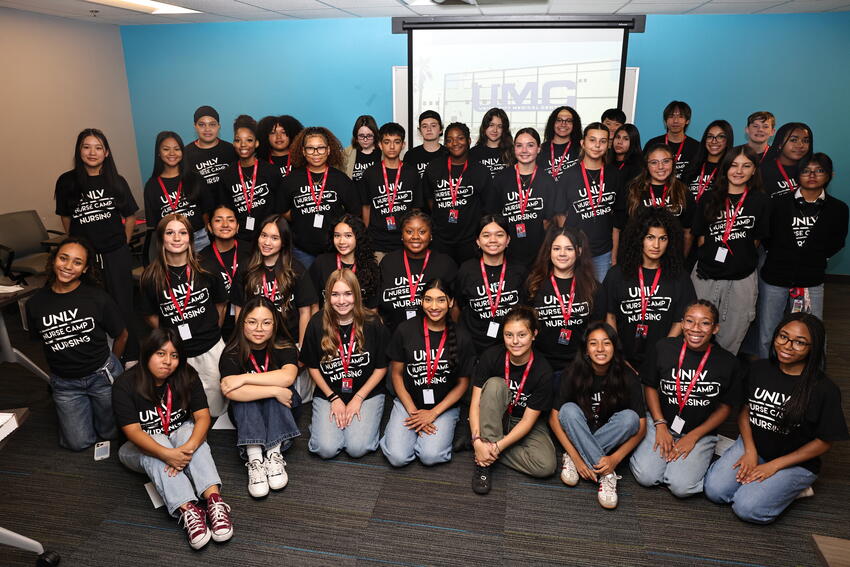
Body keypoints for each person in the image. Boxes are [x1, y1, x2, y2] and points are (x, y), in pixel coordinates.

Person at [704, 313, 849, 524]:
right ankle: (764, 484)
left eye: (800, 342)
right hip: (755, 446)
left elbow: (824, 442)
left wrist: (774, 466)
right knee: (714, 491)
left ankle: (794, 487)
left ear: (813, 348)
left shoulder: (824, 389)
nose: (788, 346)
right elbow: (745, 411)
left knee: (746, 508)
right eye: (783, 336)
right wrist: (750, 452)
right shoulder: (758, 369)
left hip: (794, 460)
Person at [113, 329, 233, 549]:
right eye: (160, 353)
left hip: (178, 437)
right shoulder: (125, 384)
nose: (168, 361)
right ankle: (188, 509)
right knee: (156, 441)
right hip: (136, 447)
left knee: (190, 432)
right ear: (147, 354)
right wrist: (168, 454)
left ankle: (214, 501)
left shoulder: (187, 374)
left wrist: (188, 447)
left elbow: (203, 416)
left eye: (174, 355)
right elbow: (133, 433)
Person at [629, 300, 742, 497]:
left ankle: (707, 459)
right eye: (690, 321)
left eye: (705, 323)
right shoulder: (664, 347)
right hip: (660, 421)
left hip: (699, 429)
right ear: (682, 324)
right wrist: (660, 424)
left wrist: (694, 436)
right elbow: (650, 386)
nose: (696, 329)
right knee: (646, 476)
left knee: (680, 487)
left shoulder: (727, 362)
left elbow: (725, 406)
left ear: (715, 328)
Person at [28, 237, 126, 451]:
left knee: (113, 434)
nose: (68, 266)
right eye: (64, 258)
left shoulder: (98, 298)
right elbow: (41, 342)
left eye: (77, 262)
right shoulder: (35, 304)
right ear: (54, 260)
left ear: (84, 269)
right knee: (78, 443)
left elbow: (122, 335)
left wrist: (112, 364)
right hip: (65, 384)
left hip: (101, 376)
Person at [54, 127, 139, 361]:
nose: (92, 152)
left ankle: (130, 357)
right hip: (85, 259)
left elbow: (130, 216)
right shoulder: (67, 182)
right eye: (86, 146)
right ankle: (100, 357)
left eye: (98, 147)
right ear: (79, 150)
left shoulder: (116, 181)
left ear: (107, 153)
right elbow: (66, 217)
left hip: (115, 254)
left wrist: (123, 243)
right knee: (92, 307)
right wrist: (76, 247)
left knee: (123, 305)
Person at [758, 153, 848, 358]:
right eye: (806, 171)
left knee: (811, 332)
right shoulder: (778, 203)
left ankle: (811, 376)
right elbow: (767, 236)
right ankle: (765, 373)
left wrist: (811, 257)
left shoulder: (839, 209)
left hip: (811, 279)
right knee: (768, 330)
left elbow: (837, 242)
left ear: (830, 175)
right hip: (775, 276)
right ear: (798, 175)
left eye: (819, 171)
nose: (812, 175)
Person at [140, 214, 228, 417]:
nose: (177, 238)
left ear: (190, 237)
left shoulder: (207, 268)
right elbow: (151, 316)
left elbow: (220, 304)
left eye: (182, 232)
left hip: (210, 348)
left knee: (216, 410)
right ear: (161, 238)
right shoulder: (151, 277)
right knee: (184, 409)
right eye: (170, 233)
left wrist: (209, 328)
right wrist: (170, 339)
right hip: (176, 353)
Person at [550, 322, 646, 509]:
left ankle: (588, 456)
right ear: (586, 349)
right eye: (594, 343)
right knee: (568, 410)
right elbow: (554, 419)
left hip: (610, 435)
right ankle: (607, 475)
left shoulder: (628, 376)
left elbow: (641, 427)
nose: (600, 349)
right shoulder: (572, 372)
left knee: (630, 418)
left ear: (614, 348)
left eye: (606, 343)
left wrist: (615, 459)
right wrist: (575, 457)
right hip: (579, 429)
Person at [381, 278, 475, 466]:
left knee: (430, 456)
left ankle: (442, 431)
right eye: (428, 299)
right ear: (421, 301)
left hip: (443, 406)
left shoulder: (462, 336)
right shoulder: (405, 330)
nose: (434, 306)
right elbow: (397, 374)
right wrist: (413, 411)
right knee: (397, 458)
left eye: (441, 300)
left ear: (450, 302)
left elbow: (463, 383)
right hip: (409, 401)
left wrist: (433, 414)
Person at [300, 269, 390, 459]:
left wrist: (358, 398)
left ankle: (345, 427)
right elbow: (313, 367)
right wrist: (333, 398)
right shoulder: (316, 323)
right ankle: (322, 425)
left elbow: (381, 367)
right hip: (330, 391)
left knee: (357, 448)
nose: (342, 301)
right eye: (335, 294)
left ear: (356, 295)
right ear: (327, 296)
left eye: (348, 294)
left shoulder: (373, 323)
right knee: (326, 449)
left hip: (367, 392)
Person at [219, 296, 300, 498]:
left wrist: (245, 378)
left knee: (273, 395)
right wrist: (273, 389)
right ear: (242, 323)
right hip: (247, 410)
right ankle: (254, 458)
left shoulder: (284, 345)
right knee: (248, 399)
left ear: (275, 324)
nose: (259, 328)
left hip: (283, 406)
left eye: (266, 322)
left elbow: (288, 376)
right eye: (252, 322)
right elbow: (230, 390)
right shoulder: (231, 352)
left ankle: (274, 454)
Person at [470, 306, 557, 493]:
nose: (515, 341)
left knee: (546, 466)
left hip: (523, 419)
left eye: (521, 335)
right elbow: (476, 402)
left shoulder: (543, 371)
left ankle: (484, 451)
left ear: (534, 334)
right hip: (495, 415)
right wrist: (477, 439)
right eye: (509, 335)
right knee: (494, 384)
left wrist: (495, 446)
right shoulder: (491, 356)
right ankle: (483, 464)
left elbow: (527, 421)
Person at [692, 146, 770, 355]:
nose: (739, 171)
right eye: (734, 165)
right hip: (706, 276)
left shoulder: (760, 201)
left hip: (741, 279)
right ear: (725, 168)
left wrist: (736, 259)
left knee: (731, 336)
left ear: (754, 170)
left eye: (746, 166)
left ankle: (722, 378)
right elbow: (700, 237)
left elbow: (756, 240)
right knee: (696, 332)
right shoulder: (709, 198)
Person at [604, 208, 695, 367]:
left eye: (663, 238)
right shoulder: (617, 275)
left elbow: (680, 321)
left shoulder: (680, 277)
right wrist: (618, 355)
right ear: (639, 239)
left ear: (670, 241)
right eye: (650, 237)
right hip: (621, 358)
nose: (656, 245)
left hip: (663, 359)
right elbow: (609, 317)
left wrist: (663, 354)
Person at [526, 226, 605, 380]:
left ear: (579, 251)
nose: (562, 253)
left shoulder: (593, 288)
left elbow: (596, 331)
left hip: (579, 366)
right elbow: (526, 326)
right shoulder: (533, 285)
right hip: (540, 366)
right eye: (556, 248)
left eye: (569, 248)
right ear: (549, 252)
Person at [281, 126, 360, 269]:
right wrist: (300, 216)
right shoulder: (291, 180)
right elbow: (282, 210)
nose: (316, 153)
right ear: (304, 152)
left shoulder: (341, 180)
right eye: (310, 148)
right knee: (305, 289)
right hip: (301, 250)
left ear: (328, 150)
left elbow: (354, 212)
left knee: (333, 289)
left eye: (321, 148)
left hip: (334, 249)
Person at [490, 127, 563, 268]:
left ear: (539, 149)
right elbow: (494, 216)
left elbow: (549, 221)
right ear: (514, 149)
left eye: (530, 145)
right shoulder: (501, 179)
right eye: (519, 145)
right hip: (507, 252)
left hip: (538, 254)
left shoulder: (547, 181)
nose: (524, 150)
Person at [241, 214, 318, 347]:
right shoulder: (246, 268)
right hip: (256, 341)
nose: (266, 242)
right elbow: (239, 309)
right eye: (263, 235)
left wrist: (301, 347)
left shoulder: (296, 269)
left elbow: (305, 311)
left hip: (288, 341)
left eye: (274, 238)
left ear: (283, 242)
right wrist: (242, 343)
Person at [422, 122, 493, 265]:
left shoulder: (480, 170)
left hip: (470, 240)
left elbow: (487, 206)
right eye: (450, 139)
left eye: (460, 138)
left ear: (468, 141)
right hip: (440, 239)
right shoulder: (434, 168)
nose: (455, 143)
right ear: (446, 143)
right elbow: (429, 200)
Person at [453, 215, 526, 354]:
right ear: (478, 241)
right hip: (474, 345)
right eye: (486, 235)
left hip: (511, 345)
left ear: (508, 239)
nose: (493, 240)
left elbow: (525, 308)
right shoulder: (466, 270)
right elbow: (458, 305)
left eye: (499, 235)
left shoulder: (519, 270)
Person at [561, 122, 624, 281]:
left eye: (603, 141)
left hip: (603, 253)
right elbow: (560, 216)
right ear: (583, 143)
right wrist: (565, 248)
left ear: (608, 145)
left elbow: (618, 221)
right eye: (592, 140)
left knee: (600, 300)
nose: (597, 145)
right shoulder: (568, 175)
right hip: (573, 251)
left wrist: (614, 255)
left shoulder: (614, 175)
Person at [378, 209, 458, 330]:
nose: (415, 237)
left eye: (422, 232)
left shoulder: (445, 264)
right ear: (402, 235)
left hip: (436, 339)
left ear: (430, 235)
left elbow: (455, 307)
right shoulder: (388, 263)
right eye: (409, 231)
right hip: (394, 337)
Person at [359, 122, 424, 261]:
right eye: (387, 142)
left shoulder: (412, 173)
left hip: (404, 240)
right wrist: (365, 235)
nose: (392, 147)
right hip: (377, 241)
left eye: (397, 142)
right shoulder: (370, 173)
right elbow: (366, 206)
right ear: (380, 145)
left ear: (403, 145)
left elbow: (416, 208)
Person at [217, 114, 282, 245]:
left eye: (249, 140)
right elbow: (225, 208)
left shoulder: (271, 171)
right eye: (238, 140)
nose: (243, 145)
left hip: (268, 237)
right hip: (240, 238)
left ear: (256, 143)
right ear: (234, 143)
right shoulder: (226, 175)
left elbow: (279, 207)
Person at [143, 131, 211, 251]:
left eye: (177, 149)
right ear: (158, 152)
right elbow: (155, 223)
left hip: (199, 239)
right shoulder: (151, 186)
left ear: (182, 152)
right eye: (166, 149)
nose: (172, 153)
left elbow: (206, 209)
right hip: (172, 243)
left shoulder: (195, 178)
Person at [626, 144, 696, 256]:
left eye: (666, 161)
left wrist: (682, 259)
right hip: (640, 256)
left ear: (673, 163)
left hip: (673, 256)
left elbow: (688, 232)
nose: (660, 167)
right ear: (646, 166)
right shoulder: (634, 190)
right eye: (654, 162)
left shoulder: (683, 192)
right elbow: (627, 230)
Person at [198, 204, 249, 340]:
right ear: (209, 227)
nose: (225, 224)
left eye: (231, 220)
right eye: (218, 220)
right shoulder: (200, 260)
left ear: (237, 226)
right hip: (217, 324)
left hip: (251, 319)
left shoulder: (251, 251)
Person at [309, 214, 381, 309]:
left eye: (348, 236)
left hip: (359, 322)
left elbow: (373, 309)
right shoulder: (321, 263)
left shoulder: (370, 267)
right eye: (337, 235)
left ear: (358, 238)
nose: (341, 241)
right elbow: (313, 303)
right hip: (328, 321)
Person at [182, 105, 237, 198]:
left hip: (229, 208)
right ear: (195, 126)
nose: (207, 129)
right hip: (201, 209)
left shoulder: (231, 150)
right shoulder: (185, 154)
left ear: (219, 126)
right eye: (202, 124)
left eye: (212, 124)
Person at [643, 100, 700, 179]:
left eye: (680, 116)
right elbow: (643, 171)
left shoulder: (696, 147)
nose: (675, 121)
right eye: (671, 116)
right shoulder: (653, 144)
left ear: (687, 121)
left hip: (684, 190)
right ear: (665, 121)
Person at [682, 120, 734, 204]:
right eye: (710, 136)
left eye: (720, 137)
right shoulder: (692, 166)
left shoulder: (731, 170)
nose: (714, 141)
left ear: (728, 140)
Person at [759, 122, 813, 199]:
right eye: (794, 140)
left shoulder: (812, 170)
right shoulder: (763, 171)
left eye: (806, 141)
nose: (800, 145)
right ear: (780, 144)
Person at [537, 105, 582, 182]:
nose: (563, 124)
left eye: (568, 121)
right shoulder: (541, 149)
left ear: (574, 125)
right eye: (559, 120)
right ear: (552, 123)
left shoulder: (581, 149)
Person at [257, 114, 304, 182]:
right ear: (265, 136)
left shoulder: (302, 158)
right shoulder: (260, 162)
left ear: (292, 133)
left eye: (283, 132)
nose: (279, 137)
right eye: (273, 133)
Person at [469, 107, 512, 177]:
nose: (495, 130)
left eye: (499, 126)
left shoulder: (512, 152)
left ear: (504, 129)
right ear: (484, 126)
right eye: (491, 125)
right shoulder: (473, 153)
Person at [404, 110, 447, 178]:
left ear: (441, 129)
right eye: (424, 126)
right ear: (420, 131)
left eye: (433, 126)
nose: (429, 129)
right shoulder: (410, 155)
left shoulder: (448, 153)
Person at [342, 115, 381, 182]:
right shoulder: (347, 153)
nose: (365, 140)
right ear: (356, 136)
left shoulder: (383, 152)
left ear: (375, 135)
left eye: (369, 136)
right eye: (361, 136)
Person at [608, 123, 643, 191]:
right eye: (618, 137)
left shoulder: (638, 166)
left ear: (633, 142)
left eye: (626, 139)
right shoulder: (606, 161)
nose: (619, 142)